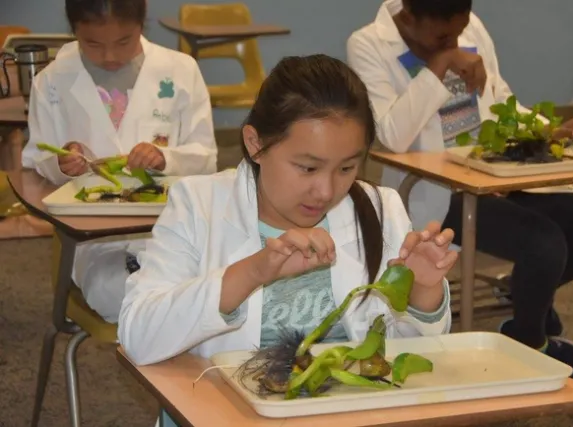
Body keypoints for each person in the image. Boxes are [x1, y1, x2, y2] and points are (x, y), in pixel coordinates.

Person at [118, 54, 458, 424]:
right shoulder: (198, 205)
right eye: (307, 168)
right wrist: (251, 273)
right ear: (255, 144)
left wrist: (423, 291)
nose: (326, 189)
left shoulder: (380, 208)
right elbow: (139, 336)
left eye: (346, 168)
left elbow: (402, 358)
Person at [347, 0, 573, 371]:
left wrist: (547, 130)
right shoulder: (369, 44)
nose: (455, 40)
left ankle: (526, 294)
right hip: (439, 191)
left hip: (502, 174)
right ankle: (531, 344)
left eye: (459, 31)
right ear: (408, 16)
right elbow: (392, 137)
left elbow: (500, 102)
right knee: (544, 244)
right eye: (443, 36)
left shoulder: (469, 27)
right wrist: (438, 67)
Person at [22, 0, 218, 322]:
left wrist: (164, 158)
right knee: (116, 291)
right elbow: (35, 159)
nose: (110, 56)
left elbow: (206, 157)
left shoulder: (181, 71)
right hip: (96, 239)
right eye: (93, 44)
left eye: (124, 41)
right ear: (74, 32)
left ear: (142, 24)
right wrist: (60, 161)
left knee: (222, 284)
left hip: (169, 228)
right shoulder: (52, 80)